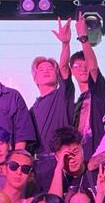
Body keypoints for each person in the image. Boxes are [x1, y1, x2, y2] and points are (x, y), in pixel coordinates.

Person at [54, 14, 105, 160]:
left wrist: (84, 38)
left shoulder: (98, 92)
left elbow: (93, 68)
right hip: (74, 160)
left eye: (85, 65)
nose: (83, 69)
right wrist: (65, 43)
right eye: (78, 66)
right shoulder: (74, 102)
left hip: (96, 158)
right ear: (72, 71)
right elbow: (63, 68)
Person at [29, 55, 75, 191]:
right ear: (35, 78)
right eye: (41, 69)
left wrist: (65, 45)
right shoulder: (31, 110)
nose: (46, 71)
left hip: (58, 161)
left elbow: (64, 67)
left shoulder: (62, 96)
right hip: (37, 166)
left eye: (50, 68)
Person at [48, 126, 98, 198]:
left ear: (82, 148)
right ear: (57, 157)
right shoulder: (49, 177)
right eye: (66, 156)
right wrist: (58, 170)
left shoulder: (97, 173)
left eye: (75, 152)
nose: (72, 160)